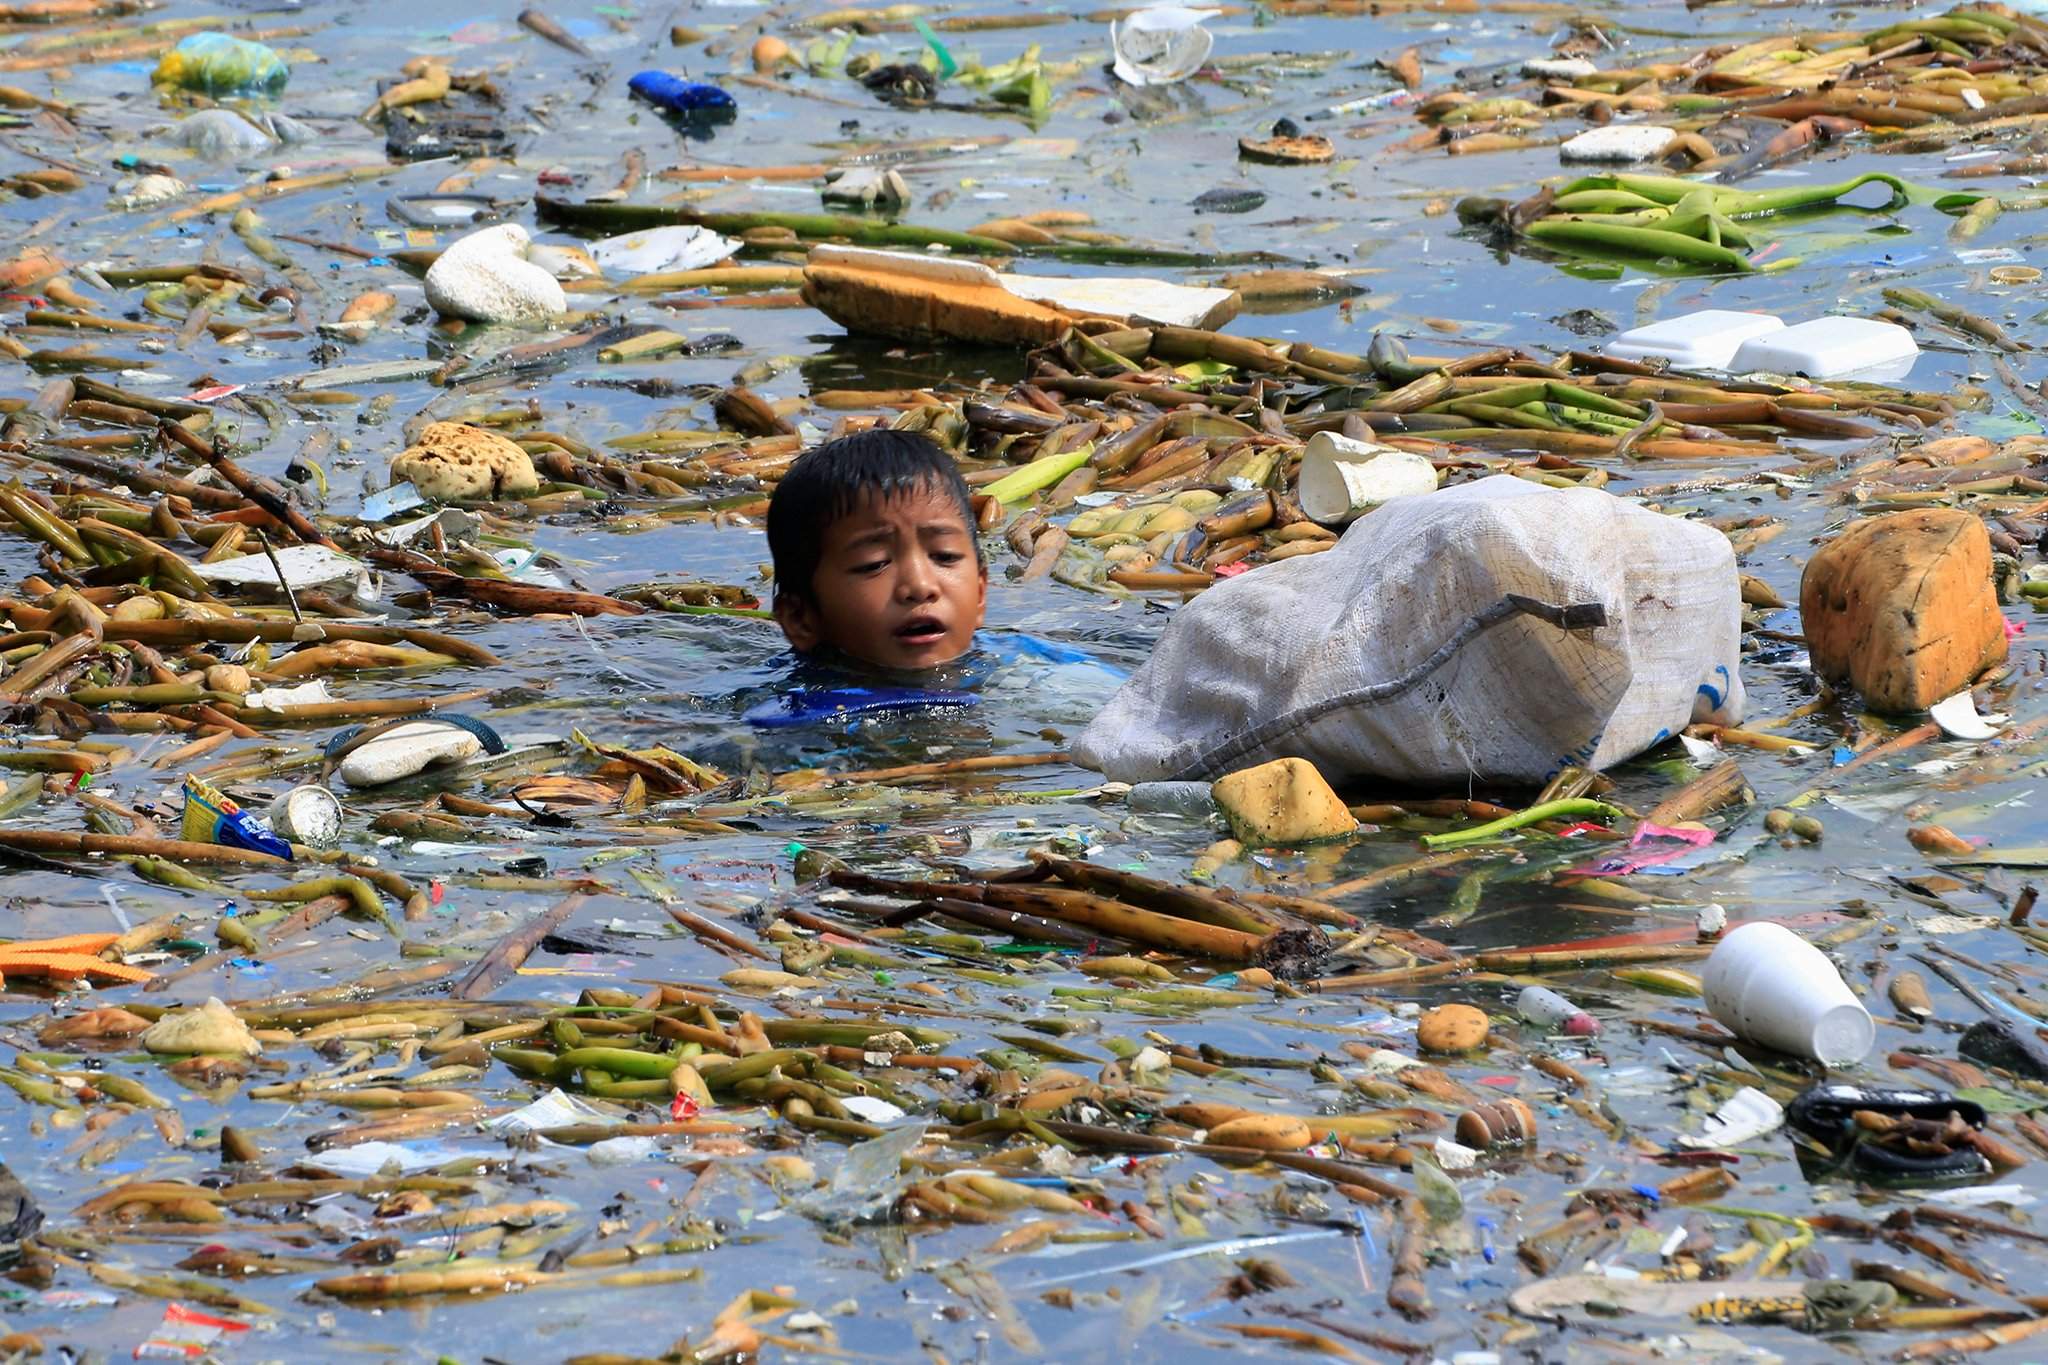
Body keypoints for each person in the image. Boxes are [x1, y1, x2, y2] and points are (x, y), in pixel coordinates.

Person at [766, 428, 987, 671]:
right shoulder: (809, 707)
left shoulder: (1027, 666)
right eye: (874, 564)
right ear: (800, 619)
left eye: (945, 556)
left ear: (980, 593)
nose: (920, 586)